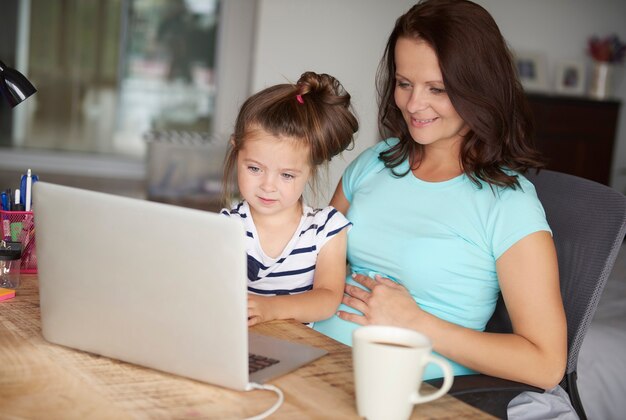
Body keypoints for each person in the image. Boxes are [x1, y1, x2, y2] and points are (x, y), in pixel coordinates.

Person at [313, 0, 573, 417]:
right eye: (404, 83)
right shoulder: (376, 162)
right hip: (315, 361)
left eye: (437, 89)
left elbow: (545, 364)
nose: (414, 105)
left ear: (479, 89)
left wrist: (417, 323)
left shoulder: (508, 204)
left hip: (404, 392)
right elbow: (313, 255)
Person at [221, 71, 358, 327]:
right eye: (254, 169)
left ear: (310, 169)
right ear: (236, 151)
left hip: (298, 347)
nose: (268, 186)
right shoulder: (227, 226)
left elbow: (327, 298)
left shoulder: (326, 229)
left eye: (286, 175)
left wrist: (270, 309)